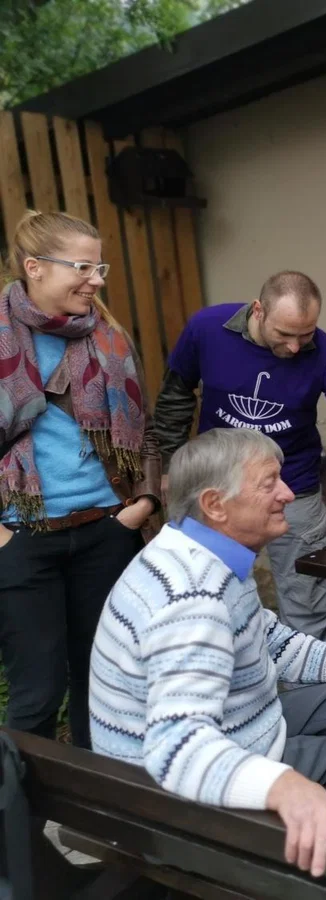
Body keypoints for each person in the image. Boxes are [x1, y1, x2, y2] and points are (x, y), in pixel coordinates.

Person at [90, 428, 326, 879]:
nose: (289, 494)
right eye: (270, 483)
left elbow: (270, 639)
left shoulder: (198, 552)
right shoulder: (193, 602)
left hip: (243, 727)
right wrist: (285, 786)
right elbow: (176, 749)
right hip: (176, 801)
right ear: (215, 504)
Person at [155, 270, 326, 640]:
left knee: (307, 603)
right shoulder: (206, 329)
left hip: (293, 488)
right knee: (211, 597)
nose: (296, 347)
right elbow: (174, 398)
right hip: (217, 488)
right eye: (285, 334)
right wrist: (172, 467)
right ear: (259, 311)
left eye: (307, 334)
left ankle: (313, 695)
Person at [0, 209, 161, 750]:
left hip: (105, 532)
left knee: (105, 685)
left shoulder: (108, 337)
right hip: (23, 540)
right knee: (37, 695)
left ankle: (101, 819)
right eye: (84, 267)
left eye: (101, 268)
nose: (96, 280)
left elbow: (147, 432)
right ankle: (20, 830)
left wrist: (141, 505)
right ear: (35, 267)